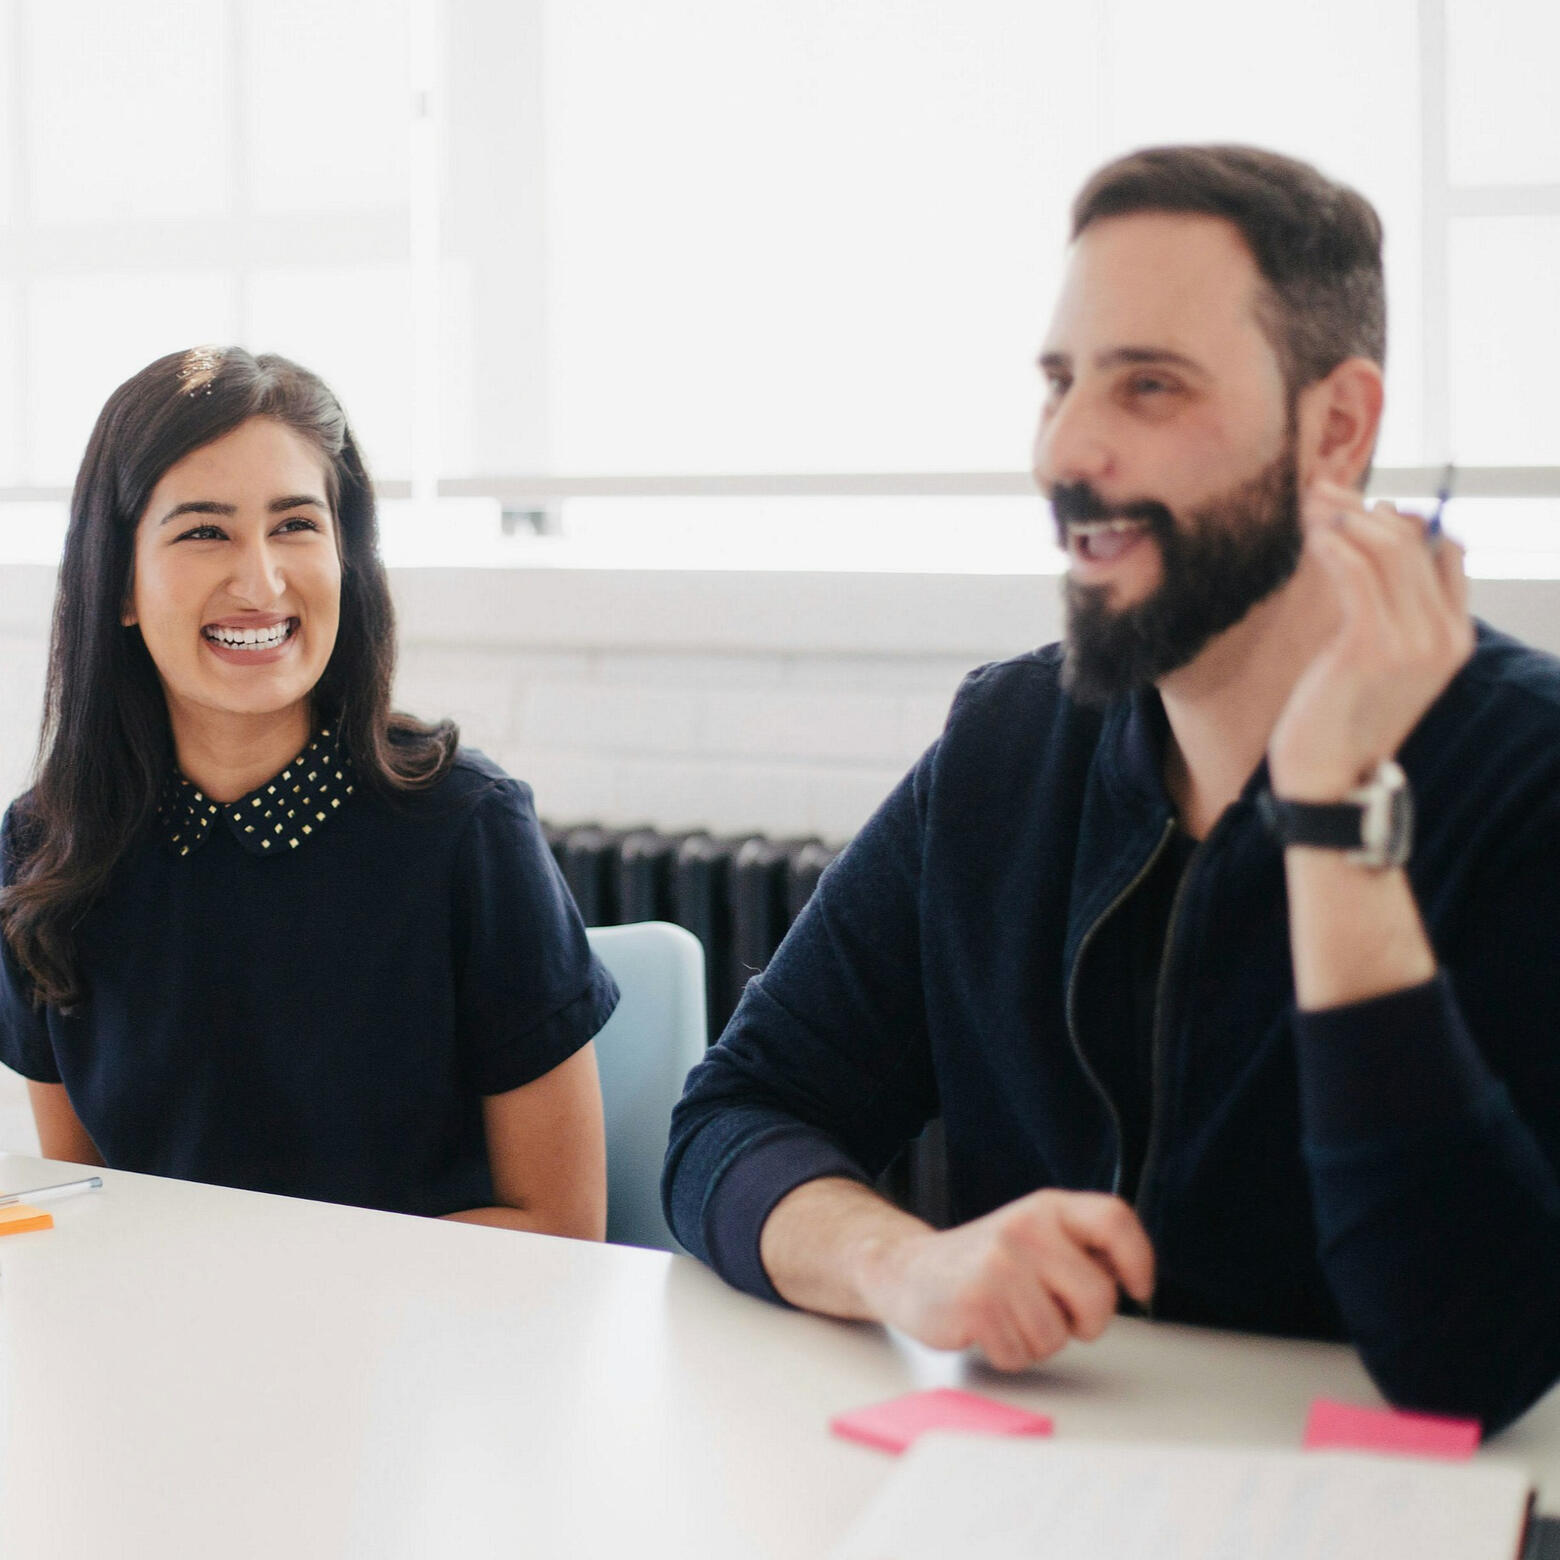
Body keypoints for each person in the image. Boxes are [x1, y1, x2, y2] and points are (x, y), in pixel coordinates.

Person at [663, 145, 1560, 1432]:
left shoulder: (1527, 775)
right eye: (1060, 382)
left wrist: (1334, 814)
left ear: (1338, 427)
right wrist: (905, 1261)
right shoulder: (1010, 742)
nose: (1065, 450)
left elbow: (1467, 1360)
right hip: (1040, 1489)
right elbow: (731, 1123)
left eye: (1151, 386)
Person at [0, 347, 617, 1236]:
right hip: (165, 1350)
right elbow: (91, 1209)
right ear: (119, 584)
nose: (260, 582)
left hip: (434, 1352)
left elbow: (563, 1228)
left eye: (295, 525)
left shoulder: (465, 828)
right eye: (204, 531)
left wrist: (280, 1304)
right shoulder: (47, 848)